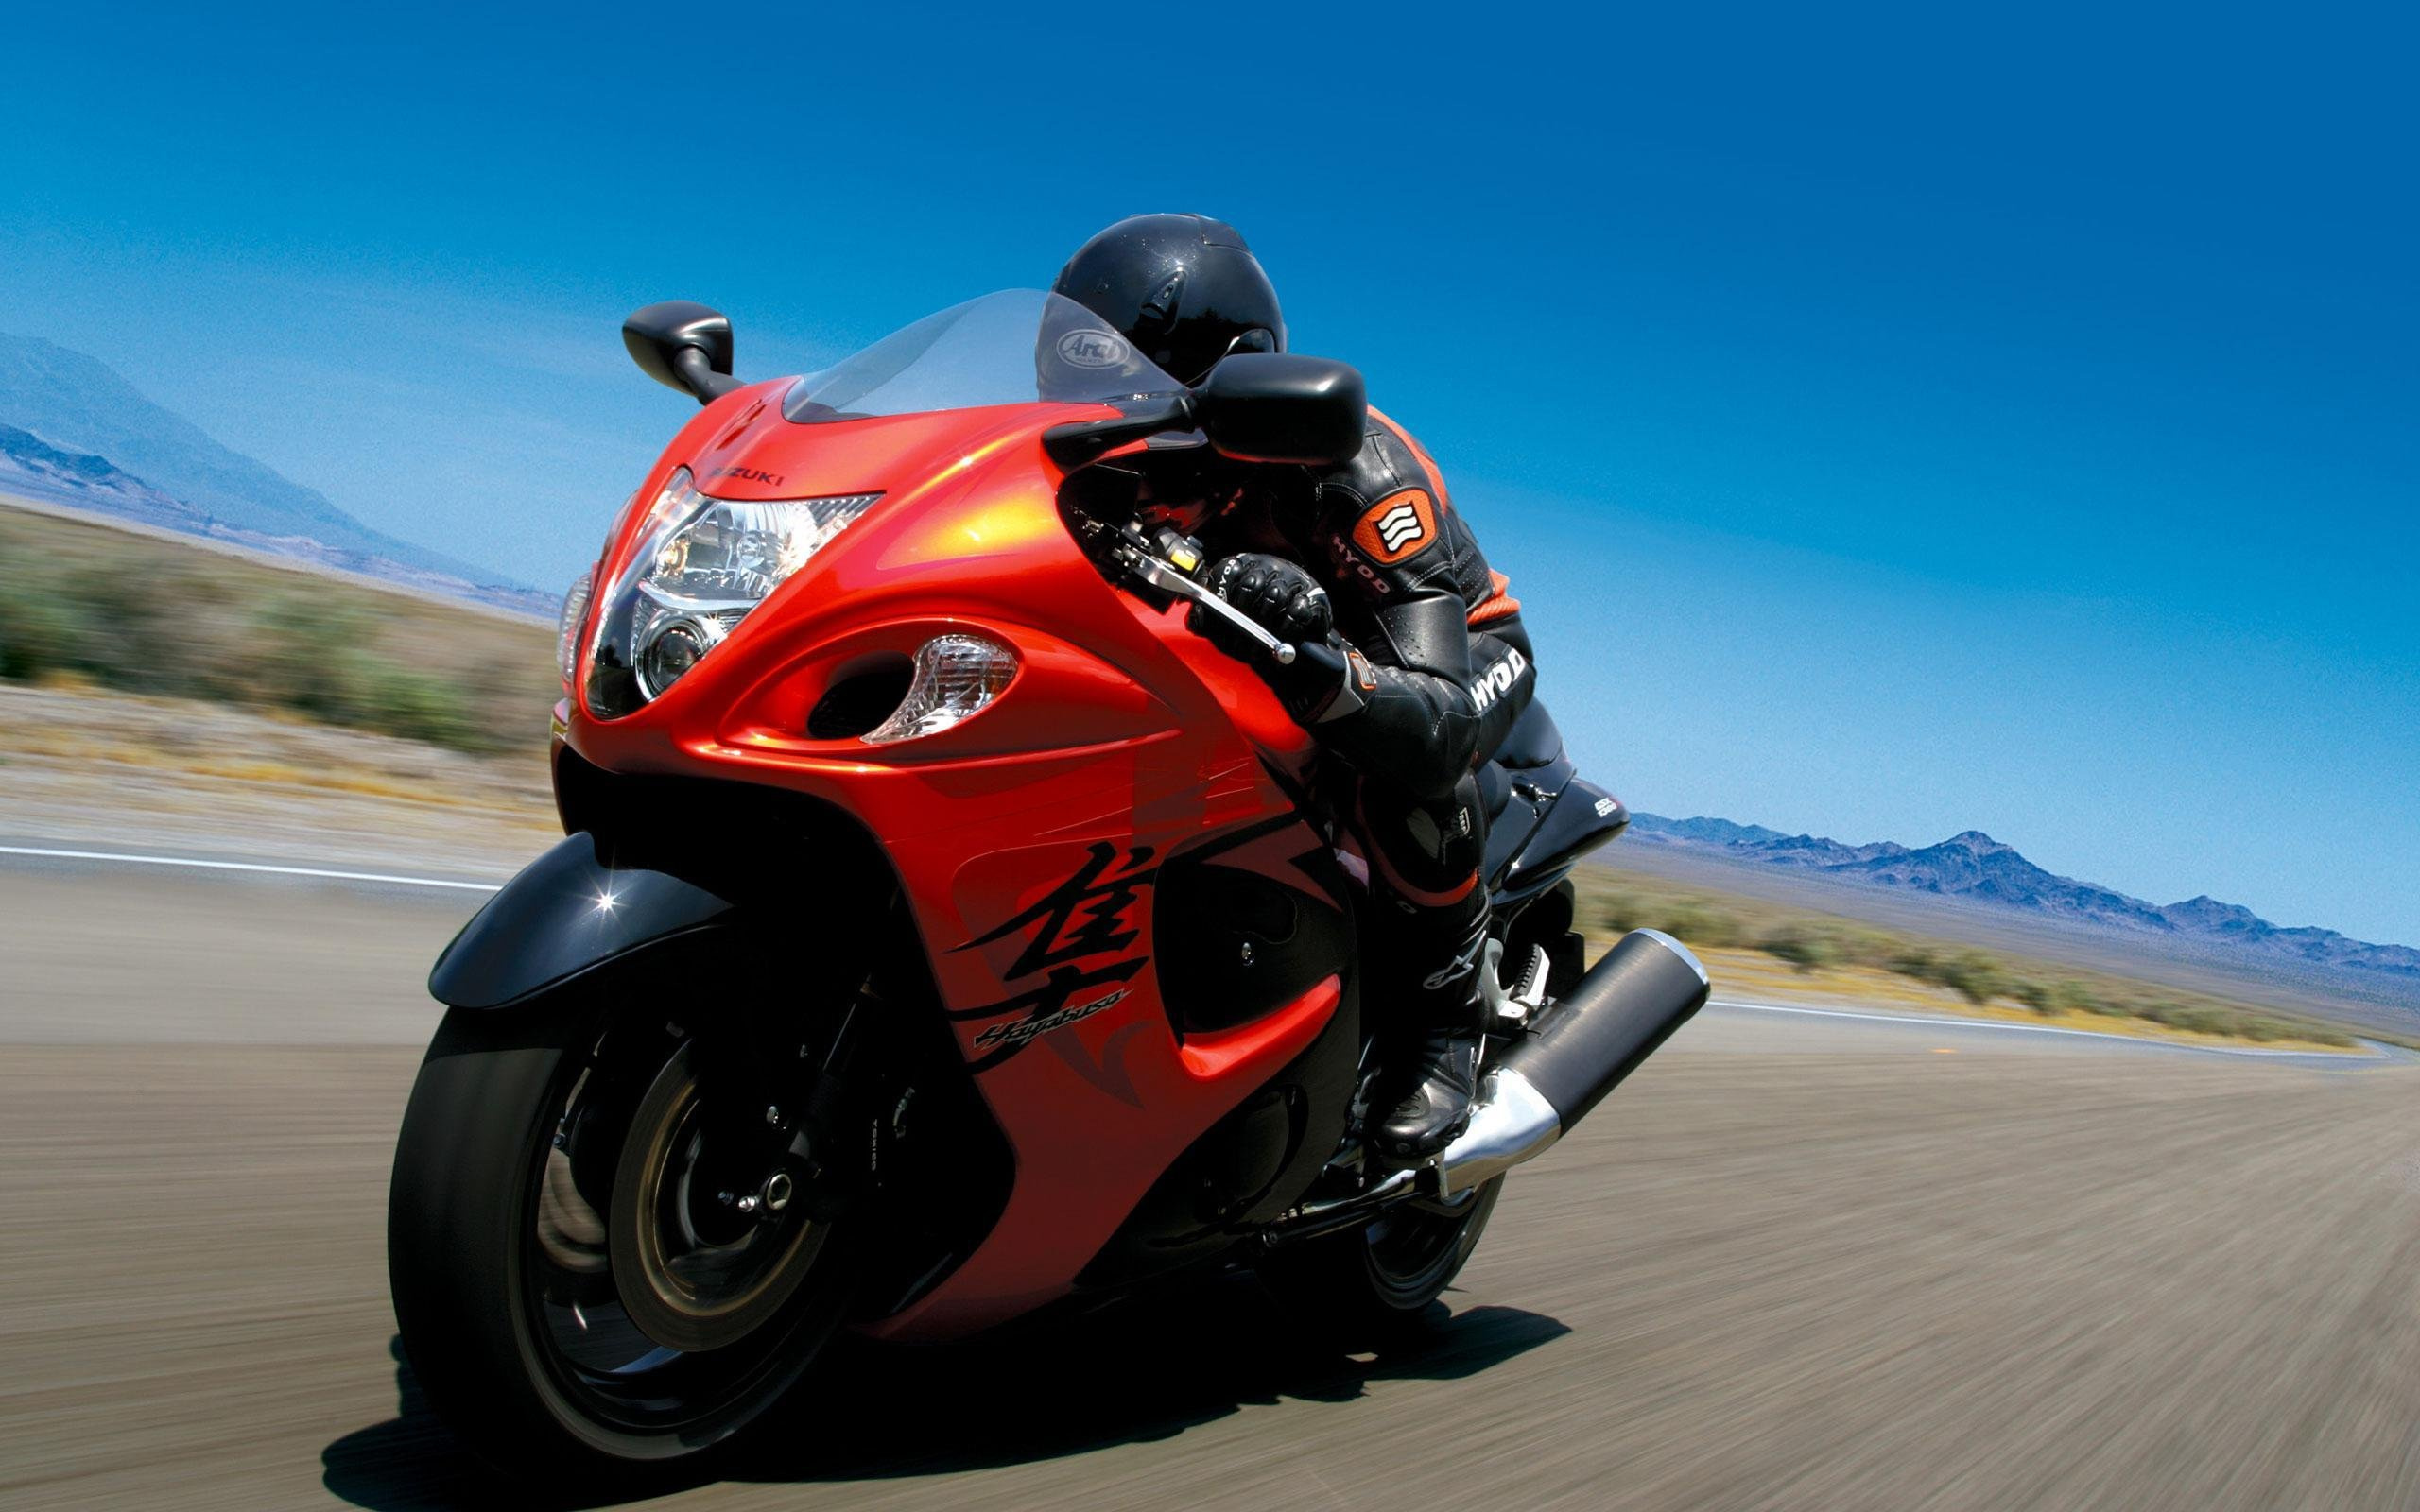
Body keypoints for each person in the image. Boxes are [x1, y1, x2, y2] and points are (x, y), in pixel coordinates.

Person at [1054, 214, 1540, 1162]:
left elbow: (1435, 707)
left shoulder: (1354, 473)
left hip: (1449, 661)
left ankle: (1446, 1014)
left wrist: (1321, 650)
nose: (1103, 394)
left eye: (1128, 367)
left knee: (1391, 756)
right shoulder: (1121, 455)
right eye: (1080, 368)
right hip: (1264, 646)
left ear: (1230, 368)